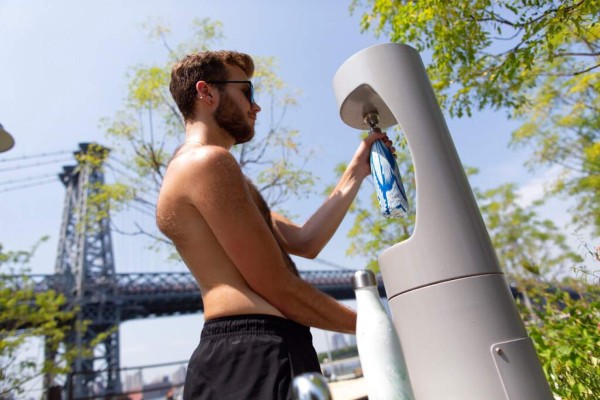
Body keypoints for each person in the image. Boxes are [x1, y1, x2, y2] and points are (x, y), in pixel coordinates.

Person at [156, 50, 395, 400]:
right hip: (257, 352)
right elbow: (279, 287)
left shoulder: (215, 172)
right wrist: (377, 327)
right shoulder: (207, 162)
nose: (256, 106)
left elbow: (305, 241)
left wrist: (356, 171)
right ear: (206, 92)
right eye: (247, 92)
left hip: (249, 353)